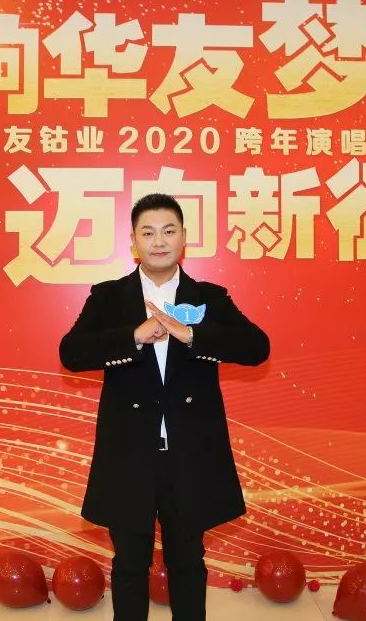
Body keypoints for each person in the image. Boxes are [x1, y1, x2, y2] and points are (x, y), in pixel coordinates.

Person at [59, 193, 270, 620]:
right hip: (129, 454)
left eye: (169, 231)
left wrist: (191, 335)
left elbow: (257, 347)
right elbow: (71, 353)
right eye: (148, 232)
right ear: (134, 241)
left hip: (188, 454)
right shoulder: (109, 296)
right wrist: (134, 336)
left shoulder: (208, 296)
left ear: (184, 238)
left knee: (188, 561)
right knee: (129, 562)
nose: (159, 241)